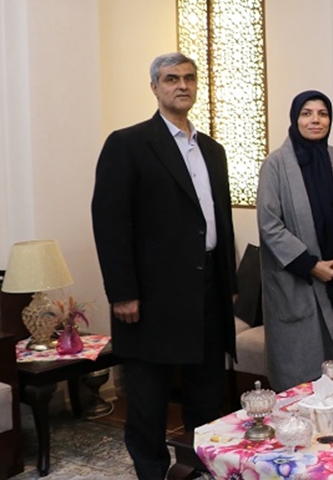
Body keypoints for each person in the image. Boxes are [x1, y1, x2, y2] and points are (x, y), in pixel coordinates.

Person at [91, 52, 237, 480]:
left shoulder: (212, 150)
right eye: (172, 79)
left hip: (207, 290)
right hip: (151, 297)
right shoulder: (128, 144)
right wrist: (122, 292)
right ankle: (152, 473)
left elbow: (220, 220)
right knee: (148, 401)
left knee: (207, 394)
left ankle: (200, 469)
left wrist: (227, 282)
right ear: (154, 87)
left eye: (189, 78)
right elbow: (110, 223)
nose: (182, 85)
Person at [257, 90, 333, 392]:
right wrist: (311, 264)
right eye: (307, 113)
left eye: (322, 114)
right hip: (299, 279)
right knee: (301, 377)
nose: (315, 120)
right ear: (295, 118)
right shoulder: (275, 164)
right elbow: (269, 224)